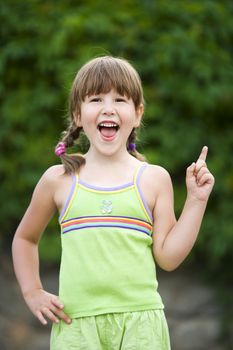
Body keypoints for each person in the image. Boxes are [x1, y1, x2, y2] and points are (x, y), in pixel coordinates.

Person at [12, 56, 215, 350]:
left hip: (141, 328)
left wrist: (196, 201)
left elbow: (168, 257)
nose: (108, 108)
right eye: (96, 99)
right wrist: (32, 292)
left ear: (137, 113)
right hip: (77, 328)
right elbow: (25, 238)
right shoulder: (58, 179)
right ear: (78, 114)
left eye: (120, 99)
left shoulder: (153, 179)